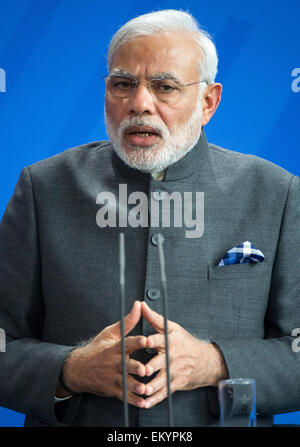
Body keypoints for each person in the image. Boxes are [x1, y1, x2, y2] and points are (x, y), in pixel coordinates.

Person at [0, 9, 299, 427]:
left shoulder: (277, 193)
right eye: (123, 84)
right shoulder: (43, 188)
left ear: (208, 101)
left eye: (165, 87)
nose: (140, 103)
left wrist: (215, 363)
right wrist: (70, 369)